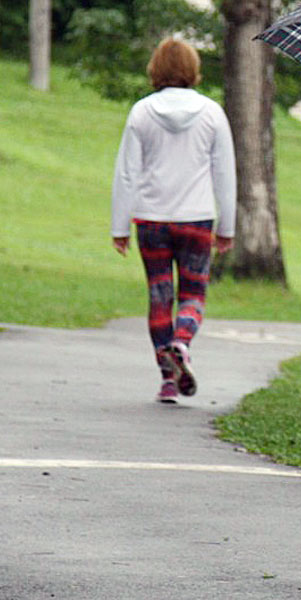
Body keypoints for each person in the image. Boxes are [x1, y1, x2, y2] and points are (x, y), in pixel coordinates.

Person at [110, 38, 236, 403]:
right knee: (193, 293)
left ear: (156, 69)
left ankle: (167, 379)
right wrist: (226, 227)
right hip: (196, 217)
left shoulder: (141, 113)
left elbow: (127, 174)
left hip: (151, 218)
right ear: (192, 70)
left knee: (159, 296)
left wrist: (120, 227)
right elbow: (224, 173)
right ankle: (182, 342)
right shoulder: (212, 113)